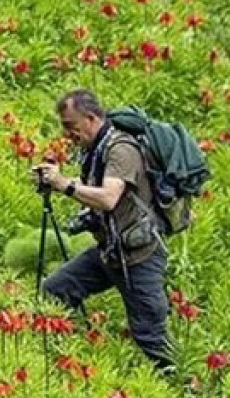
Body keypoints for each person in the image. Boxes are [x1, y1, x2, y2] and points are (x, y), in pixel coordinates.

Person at [30, 89, 175, 373]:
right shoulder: (94, 150)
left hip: (139, 258)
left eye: (72, 126)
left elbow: (108, 198)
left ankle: (182, 392)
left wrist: (64, 185)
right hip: (110, 252)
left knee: (151, 339)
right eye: (64, 127)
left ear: (92, 117)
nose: (68, 134)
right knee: (55, 291)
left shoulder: (121, 149)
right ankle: (73, 357)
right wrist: (55, 180)